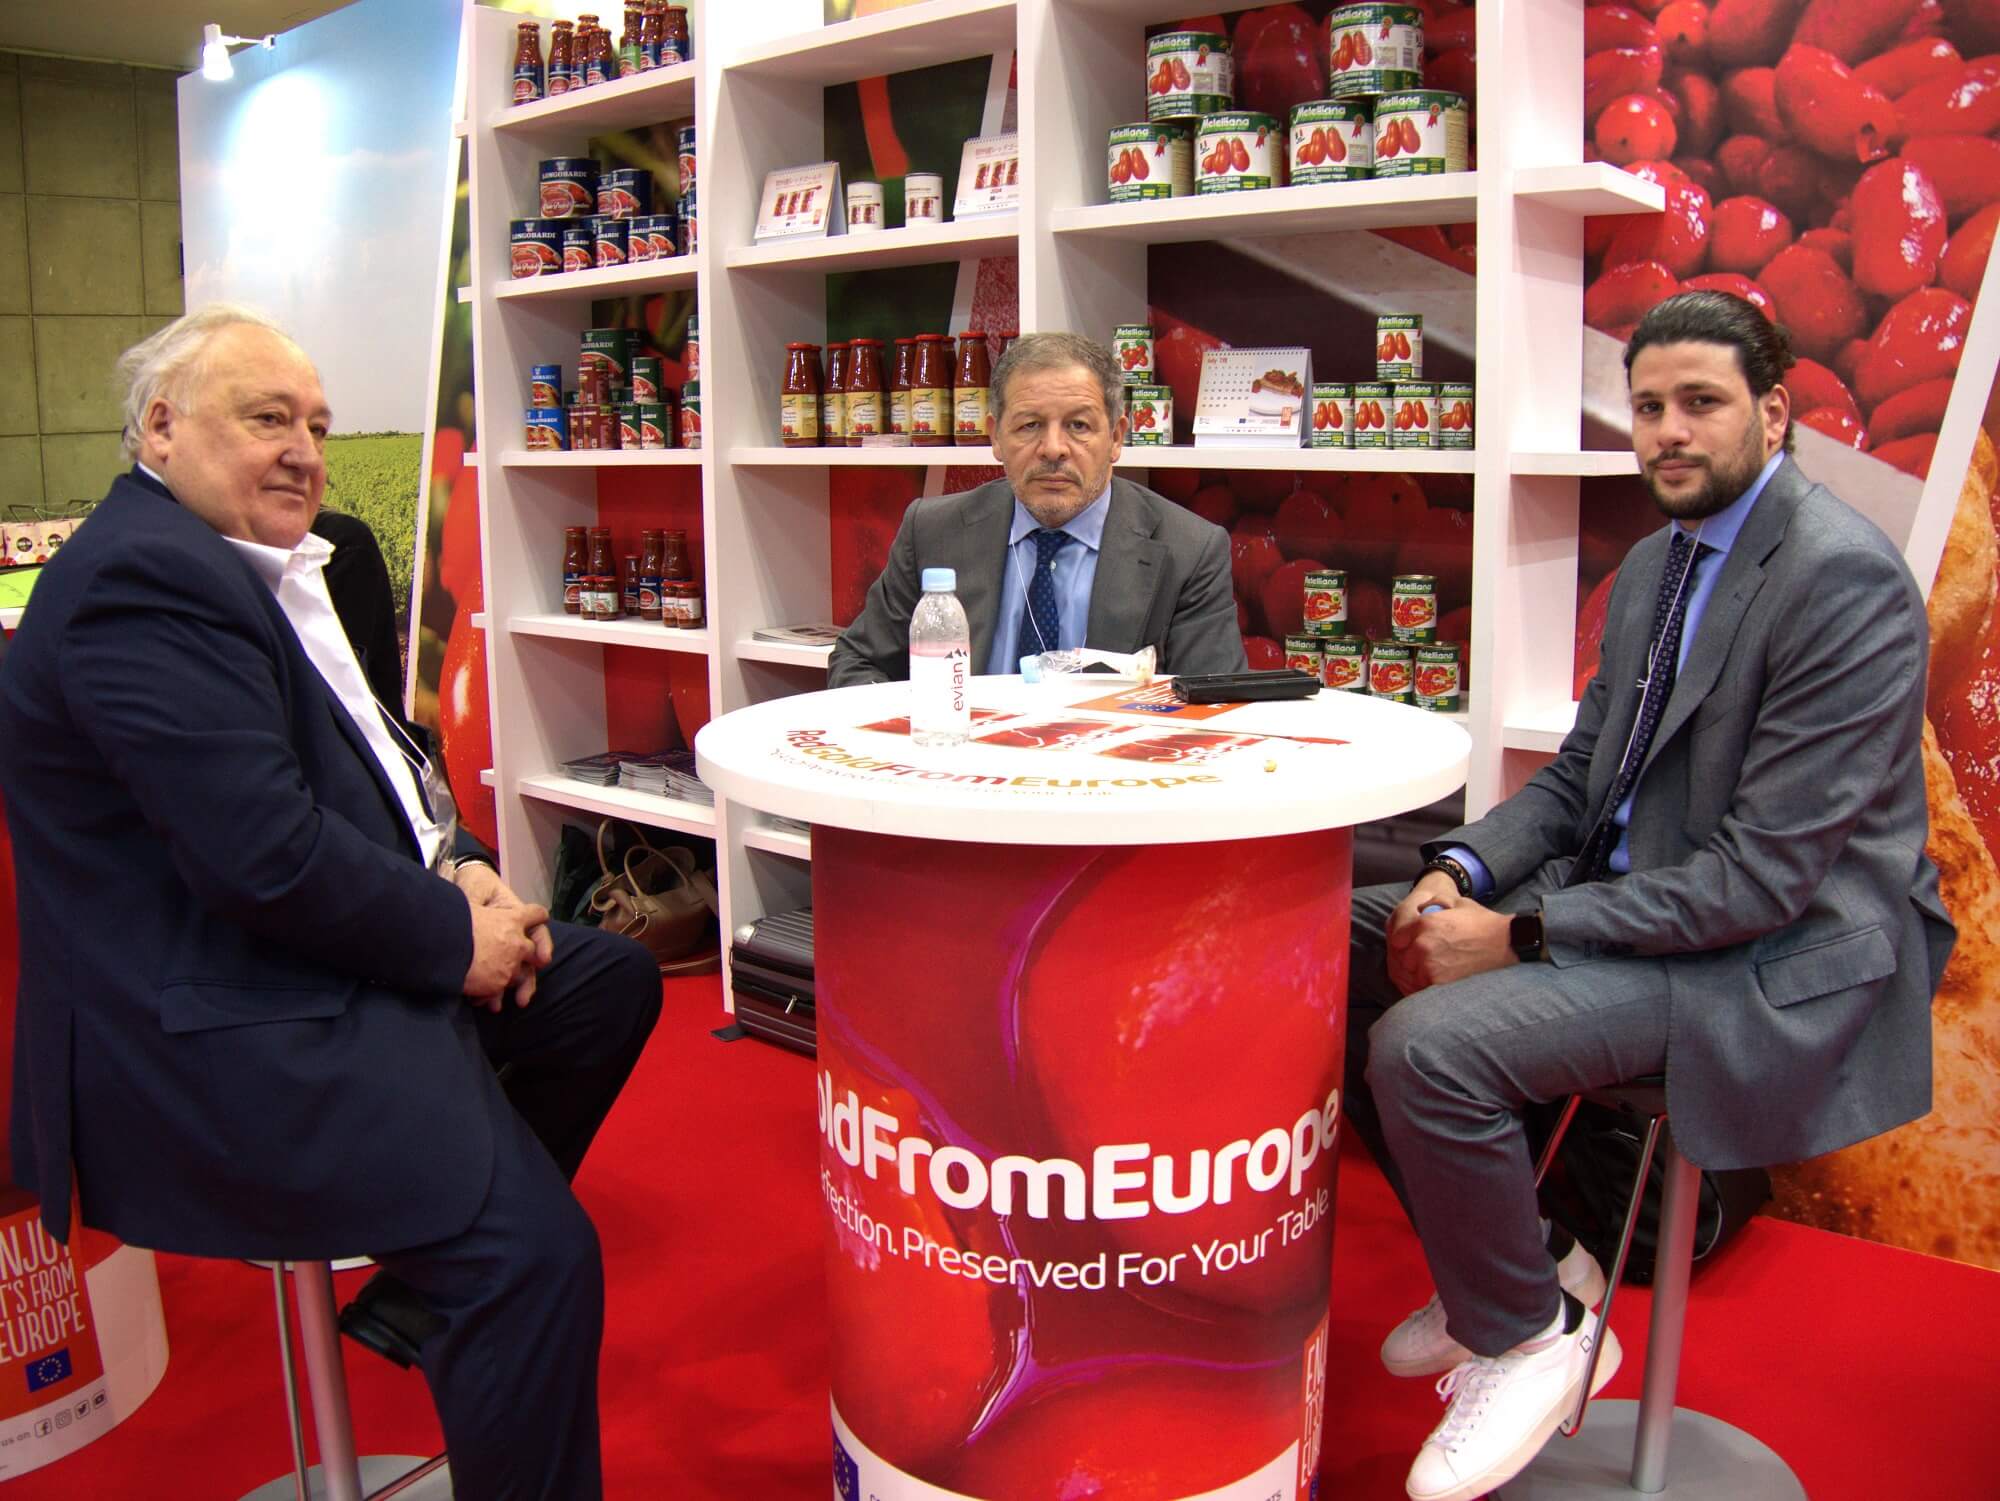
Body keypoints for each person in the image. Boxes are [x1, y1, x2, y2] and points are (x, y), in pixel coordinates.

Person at [0, 305, 661, 1501]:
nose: (304, 450)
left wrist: (461, 862)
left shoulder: (263, 561)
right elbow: (261, 856)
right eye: (268, 419)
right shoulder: (143, 581)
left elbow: (376, 761)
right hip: (224, 1024)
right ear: (161, 427)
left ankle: (415, 1286)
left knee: (604, 981)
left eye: (316, 424)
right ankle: (464, 1244)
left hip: (301, 960)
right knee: (534, 1262)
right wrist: (451, 939)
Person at [1342, 291, 1955, 1501]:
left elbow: (1762, 878)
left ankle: (1529, 1335)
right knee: (1330, 951)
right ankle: (1531, 1266)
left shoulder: (1841, 579)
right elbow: (1579, 777)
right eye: (1647, 406)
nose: (1667, 431)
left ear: (1771, 414)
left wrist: (1517, 934)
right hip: (1638, 906)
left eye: (1699, 403)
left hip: (1771, 957)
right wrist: (1455, 874)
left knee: (1426, 1049)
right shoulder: (1650, 568)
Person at [828, 331, 1246, 686]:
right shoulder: (933, 531)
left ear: (1117, 438)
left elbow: (1215, 703)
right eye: (1030, 425)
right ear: (995, 436)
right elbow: (857, 661)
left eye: (1078, 426)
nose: (1053, 449)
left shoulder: (1189, 550)